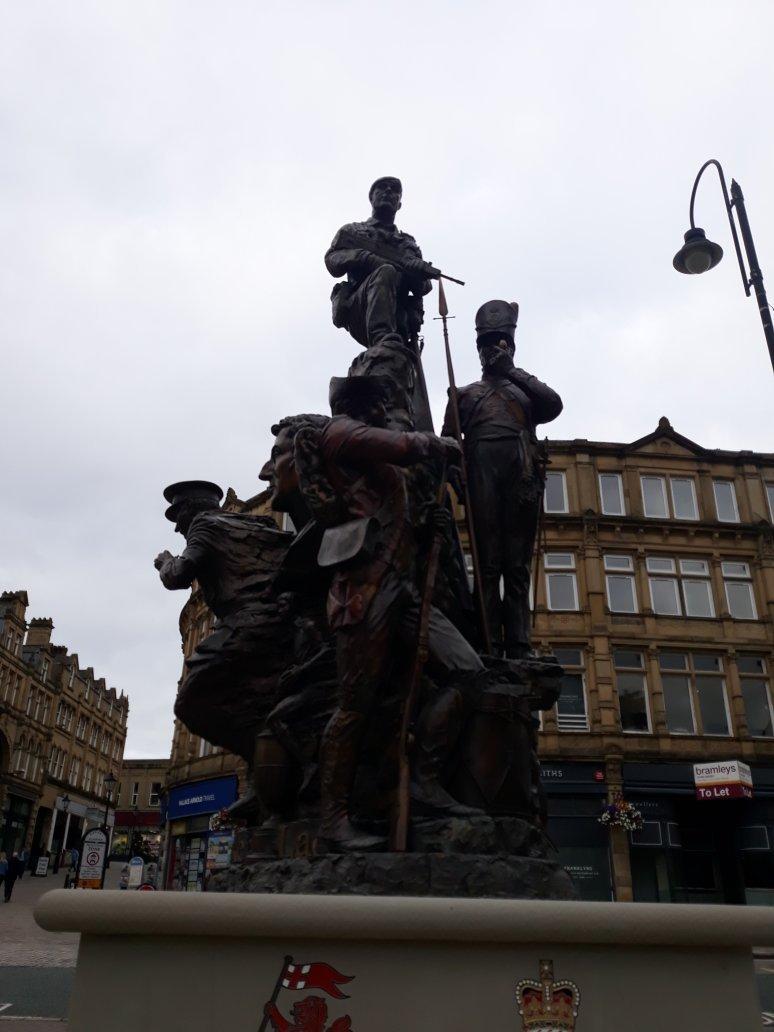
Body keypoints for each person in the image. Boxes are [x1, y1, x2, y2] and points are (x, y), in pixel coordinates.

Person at [267, 375, 485, 850]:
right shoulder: (340, 433)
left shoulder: (377, 467)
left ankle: (424, 782)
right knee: (353, 708)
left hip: (402, 591)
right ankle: (333, 818)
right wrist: (435, 444)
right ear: (363, 406)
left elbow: (397, 515)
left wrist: (431, 520)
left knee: (466, 670)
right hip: (362, 594)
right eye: (384, 402)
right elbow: (403, 445)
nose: (390, 409)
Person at [442, 300, 563, 658]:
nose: (492, 350)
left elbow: (554, 404)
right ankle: (488, 642)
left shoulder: (525, 391)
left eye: (499, 343)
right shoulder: (463, 395)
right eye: (487, 344)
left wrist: (512, 371)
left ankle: (519, 643)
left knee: (517, 564)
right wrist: (454, 476)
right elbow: (448, 443)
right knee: (487, 563)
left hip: (520, 473)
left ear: (509, 346)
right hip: (481, 474)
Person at [325, 177, 437, 429]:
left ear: (400, 203)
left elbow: (423, 288)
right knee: (385, 271)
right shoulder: (353, 232)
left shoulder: (407, 243)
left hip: (397, 316)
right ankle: (382, 338)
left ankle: (389, 346)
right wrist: (365, 258)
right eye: (381, 188)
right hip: (359, 307)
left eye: (395, 190)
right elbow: (332, 261)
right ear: (371, 197)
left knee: (389, 272)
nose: (388, 192)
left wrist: (417, 273)